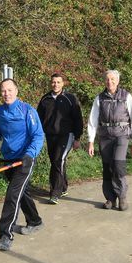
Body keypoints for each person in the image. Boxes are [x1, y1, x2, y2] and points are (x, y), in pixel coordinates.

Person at [0, 78, 45, 251]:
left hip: (25, 160)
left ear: (16, 91)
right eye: (3, 91)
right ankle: (35, 221)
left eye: (10, 90)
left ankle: (6, 235)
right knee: (22, 192)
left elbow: (38, 135)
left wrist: (30, 154)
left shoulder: (27, 111)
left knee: (13, 194)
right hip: (9, 159)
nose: (6, 94)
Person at [87, 70, 132, 211]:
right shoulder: (100, 98)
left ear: (117, 81)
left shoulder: (126, 96)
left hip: (121, 135)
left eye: (112, 79)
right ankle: (110, 198)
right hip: (105, 136)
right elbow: (92, 120)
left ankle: (122, 197)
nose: (110, 82)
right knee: (107, 168)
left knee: (118, 165)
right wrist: (91, 141)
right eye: (107, 79)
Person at [36, 73, 84, 204]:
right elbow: (38, 119)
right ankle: (63, 187)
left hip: (66, 135)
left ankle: (55, 193)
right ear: (50, 83)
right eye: (53, 82)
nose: (55, 84)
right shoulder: (45, 99)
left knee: (58, 160)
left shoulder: (70, 98)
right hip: (50, 135)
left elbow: (78, 119)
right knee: (56, 161)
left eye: (58, 82)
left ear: (63, 84)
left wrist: (77, 137)